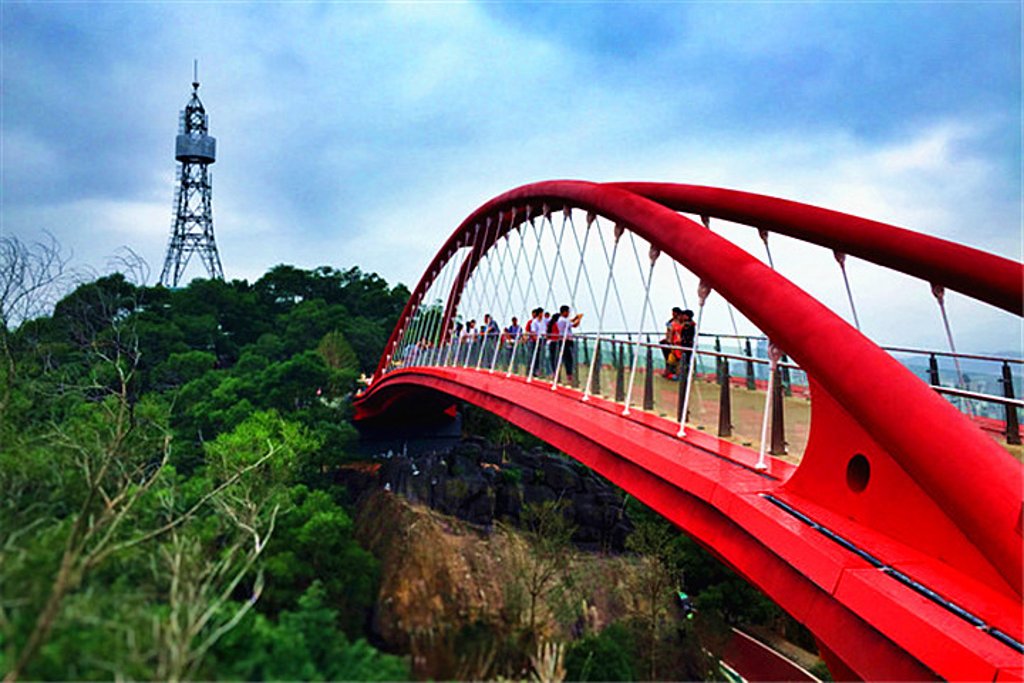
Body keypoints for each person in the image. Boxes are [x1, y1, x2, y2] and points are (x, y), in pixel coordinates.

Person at [550, 304, 582, 381]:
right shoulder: (563, 320)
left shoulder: (561, 320)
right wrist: (579, 319)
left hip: (564, 340)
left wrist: (575, 318)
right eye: (567, 312)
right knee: (568, 358)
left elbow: (570, 321)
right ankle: (569, 374)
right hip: (566, 340)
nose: (568, 313)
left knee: (566, 357)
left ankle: (564, 374)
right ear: (564, 312)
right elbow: (574, 325)